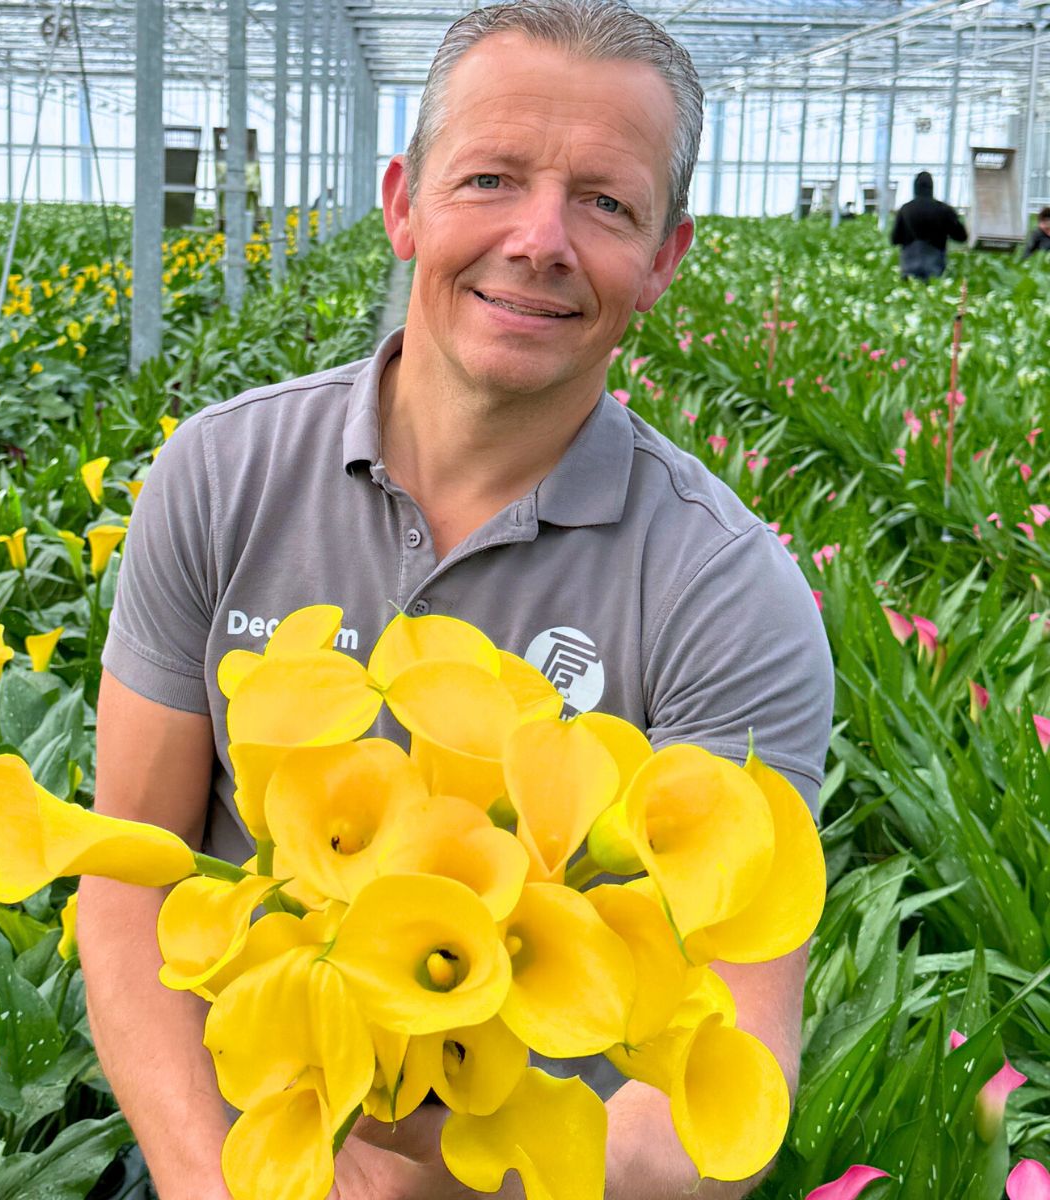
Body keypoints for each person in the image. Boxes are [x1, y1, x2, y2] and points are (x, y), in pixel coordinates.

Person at [78, 2, 834, 1198]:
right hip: (230, 1147)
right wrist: (214, 1179)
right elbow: (129, 874)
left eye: (606, 203)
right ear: (402, 206)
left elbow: (736, 1068)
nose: (540, 239)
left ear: (665, 259)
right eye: (489, 177)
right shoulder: (217, 476)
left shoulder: (728, 593)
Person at [889, 170, 967, 281]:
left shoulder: (905, 209)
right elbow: (961, 236)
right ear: (931, 187)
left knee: (910, 290)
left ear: (915, 188)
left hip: (909, 264)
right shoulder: (943, 209)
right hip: (934, 264)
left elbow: (895, 239)